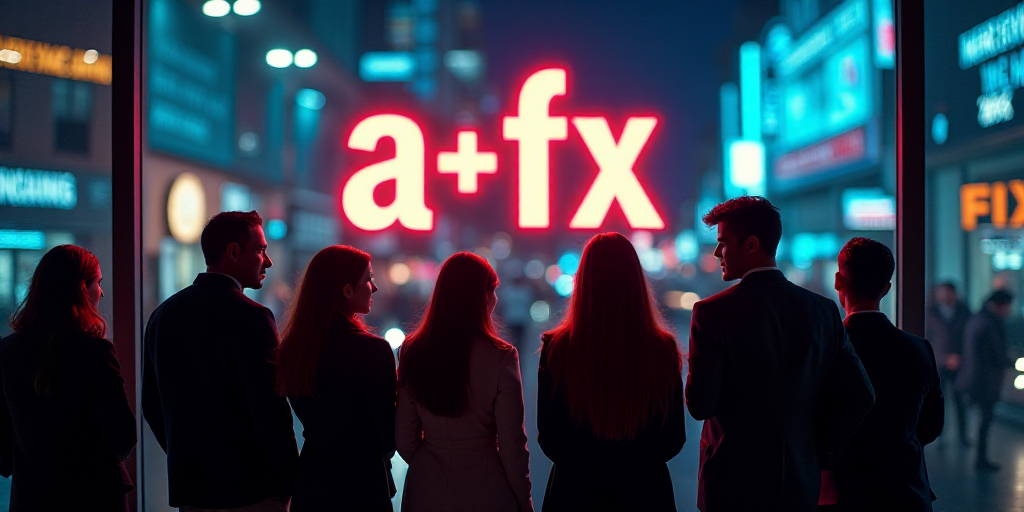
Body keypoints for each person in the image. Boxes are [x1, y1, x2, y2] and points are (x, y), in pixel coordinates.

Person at [686, 196, 874, 512]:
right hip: (799, 483)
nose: (717, 253)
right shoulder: (823, 311)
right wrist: (823, 453)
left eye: (722, 243)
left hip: (731, 485)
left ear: (751, 245)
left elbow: (700, 404)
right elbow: (861, 394)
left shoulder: (711, 313)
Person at [142, 211, 299, 511]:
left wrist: (186, 458)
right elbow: (271, 412)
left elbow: (152, 405)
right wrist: (291, 481)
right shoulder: (254, 317)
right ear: (234, 252)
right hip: (251, 490)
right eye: (261, 250)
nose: (268, 261)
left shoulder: (163, 315)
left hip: (191, 490)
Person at [537, 232, 686, 512]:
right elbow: (672, 438)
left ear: (583, 282)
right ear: (637, 282)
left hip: (575, 493)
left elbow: (550, 437)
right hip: (645, 493)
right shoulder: (662, 349)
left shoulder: (557, 349)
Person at [0, 245, 136, 511]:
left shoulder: (6, 351)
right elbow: (122, 435)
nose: (102, 292)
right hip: (93, 497)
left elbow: (3, 446)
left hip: (31, 499)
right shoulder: (96, 351)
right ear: (81, 290)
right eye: (98, 282)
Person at [396, 252, 533, 512]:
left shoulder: (413, 350)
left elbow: (404, 437)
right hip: (486, 485)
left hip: (426, 489)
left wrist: (430, 461)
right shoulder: (501, 356)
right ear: (483, 296)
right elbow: (512, 445)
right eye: (494, 291)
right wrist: (524, 502)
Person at [276, 245, 397, 511]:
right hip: (362, 485)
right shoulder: (373, 350)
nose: (374, 288)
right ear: (347, 290)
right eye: (369, 279)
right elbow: (388, 436)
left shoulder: (294, 349)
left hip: (313, 480)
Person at [826, 238, 943, 511]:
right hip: (905, 493)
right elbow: (932, 425)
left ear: (837, 281)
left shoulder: (825, 347)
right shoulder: (920, 349)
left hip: (841, 495)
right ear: (887, 288)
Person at [957, 289, 1015, 471]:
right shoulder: (991, 322)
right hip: (986, 378)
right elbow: (997, 353)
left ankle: (980, 457)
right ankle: (981, 459)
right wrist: (1010, 361)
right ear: (1002, 305)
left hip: (973, 376)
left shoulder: (977, 319)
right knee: (985, 420)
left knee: (983, 419)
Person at [925, 282, 971, 446]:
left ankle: (963, 435)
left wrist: (960, 357)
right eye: (941, 293)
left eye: (947, 292)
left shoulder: (964, 312)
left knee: (961, 400)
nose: (944, 296)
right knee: (939, 401)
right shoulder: (931, 313)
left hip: (960, 363)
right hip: (939, 364)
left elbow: (969, 338)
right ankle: (940, 436)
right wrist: (943, 358)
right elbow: (927, 339)